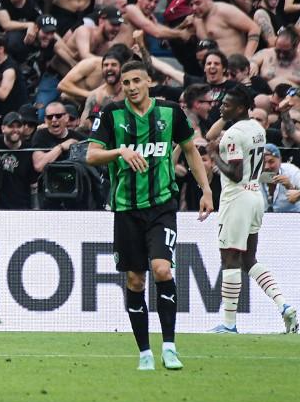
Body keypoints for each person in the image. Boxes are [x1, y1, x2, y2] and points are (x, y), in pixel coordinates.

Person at [86, 60, 213, 371]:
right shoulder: (112, 114)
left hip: (161, 206)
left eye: (136, 81)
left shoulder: (170, 112)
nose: (130, 87)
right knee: (134, 278)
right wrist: (119, 152)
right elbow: (91, 155)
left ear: (149, 82)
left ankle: (169, 346)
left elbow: (191, 149)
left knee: (161, 270)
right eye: (125, 82)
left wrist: (206, 190)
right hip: (126, 209)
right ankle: (144, 352)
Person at [208, 87, 298, 334]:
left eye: (227, 105)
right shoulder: (257, 129)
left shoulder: (234, 135)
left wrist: (214, 156)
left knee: (230, 259)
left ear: (239, 108)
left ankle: (228, 323)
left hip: (237, 199)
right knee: (249, 259)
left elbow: (235, 174)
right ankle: (284, 305)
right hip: (255, 195)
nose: (222, 108)